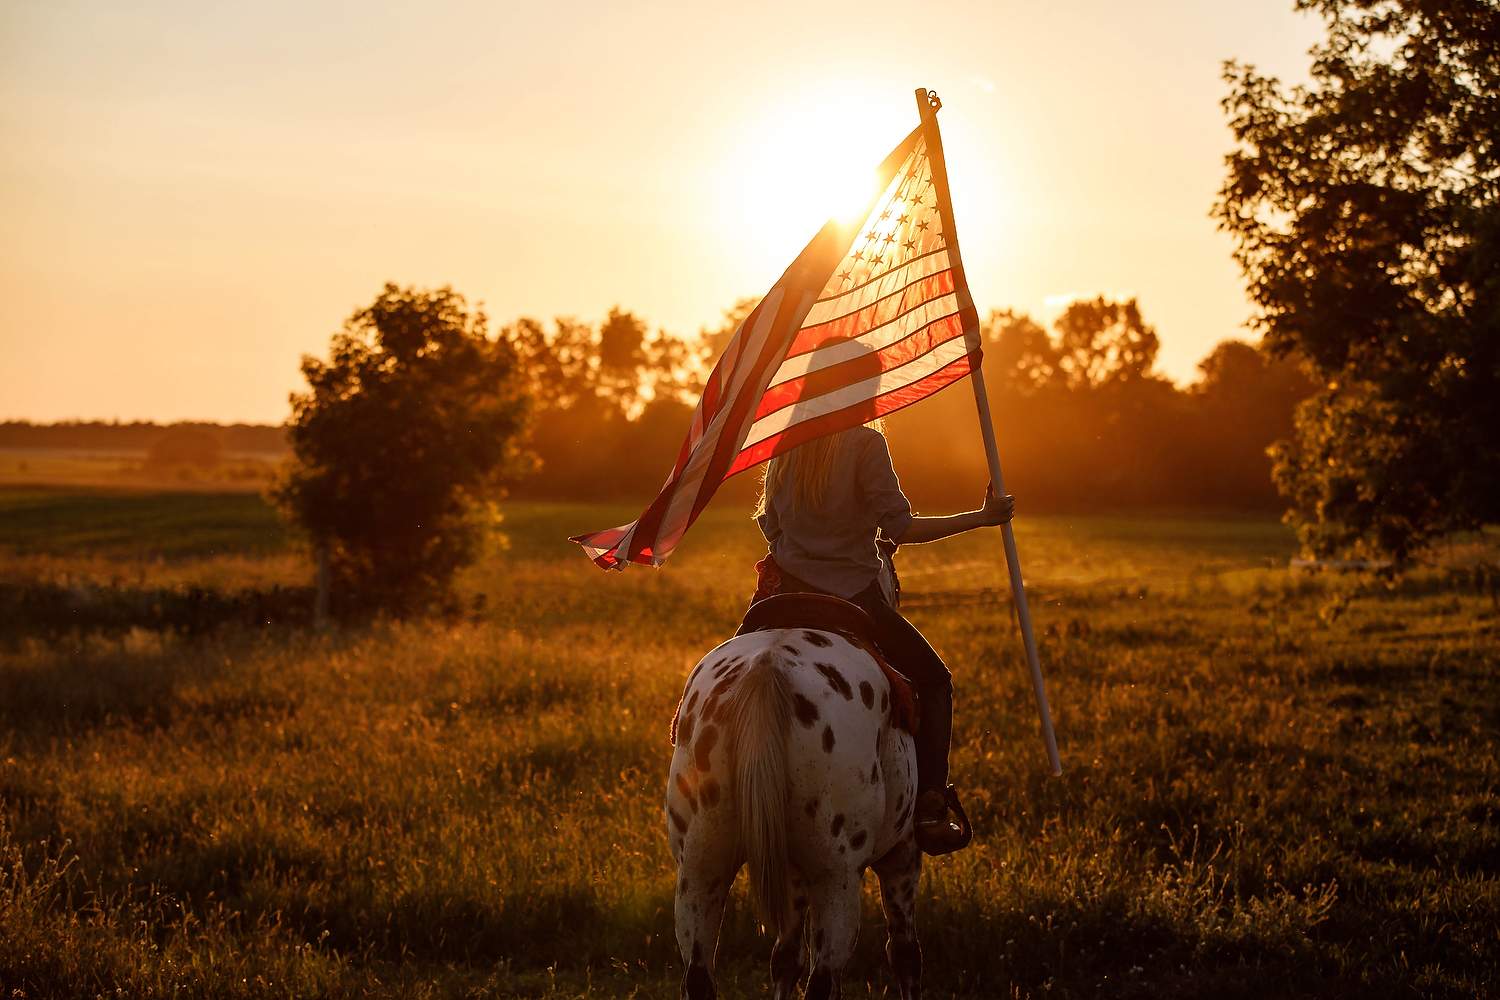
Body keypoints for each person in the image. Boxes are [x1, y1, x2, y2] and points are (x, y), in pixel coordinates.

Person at [754, 422, 1014, 855]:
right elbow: (901, 529)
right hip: (854, 598)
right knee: (934, 683)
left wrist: (806, 544)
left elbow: (770, 525)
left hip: (785, 594)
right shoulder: (865, 442)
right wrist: (980, 518)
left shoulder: (786, 439)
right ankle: (930, 804)